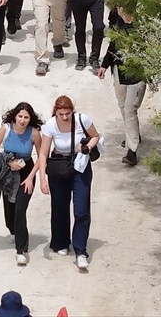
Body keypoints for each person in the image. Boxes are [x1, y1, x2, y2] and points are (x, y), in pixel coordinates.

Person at [39, 94, 100, 271]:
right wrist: (42, 178)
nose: (65, 117)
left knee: (81, 209)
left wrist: (88, 146)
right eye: (61, 114)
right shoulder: (50, 125)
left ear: (73, 111)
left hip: (80, 165)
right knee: (59, 206)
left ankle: (81, 250)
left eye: (68, 113)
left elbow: (95, 136)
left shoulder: (83, 120)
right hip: (59, 166)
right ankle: (61, 241)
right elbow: (43, 153)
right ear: (55, 113)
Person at [0, 102, 43, 264]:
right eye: (20, 116)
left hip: (27, 172)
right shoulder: (5, 129)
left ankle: (21, 250)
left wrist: (31, 177)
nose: (22, 120)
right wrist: (9, 161)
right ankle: (13, 230)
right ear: (14, 116)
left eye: (26, 117)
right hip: (8, 174)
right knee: (10, 209)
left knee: (20, 210)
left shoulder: (34, 133)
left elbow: (41, 157)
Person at [98, 5, 146, 165]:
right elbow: (113, 45)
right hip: (119, 71)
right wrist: (104, 65)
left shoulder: (143, 25)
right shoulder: (116, 21)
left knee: (130, 109)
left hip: (137, 74)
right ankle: (133, 134)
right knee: (123, 106)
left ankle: (132, 151)